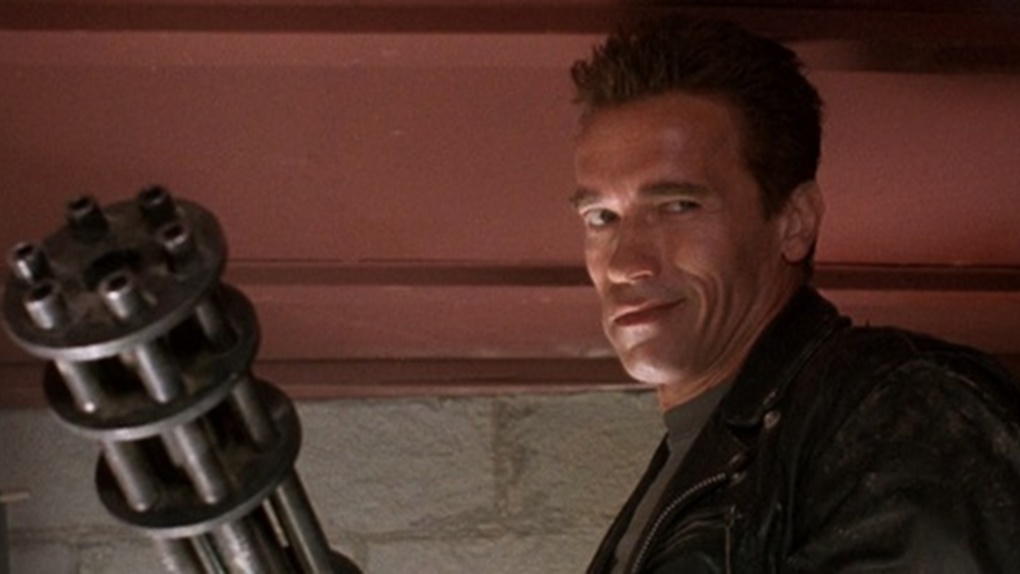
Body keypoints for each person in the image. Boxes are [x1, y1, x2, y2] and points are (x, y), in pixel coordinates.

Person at [569, 15, 1020, 573]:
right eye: (601, 217)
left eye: (678, 207)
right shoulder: (696, 459)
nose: (625, 263)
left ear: (795, 221)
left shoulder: (903, 409)